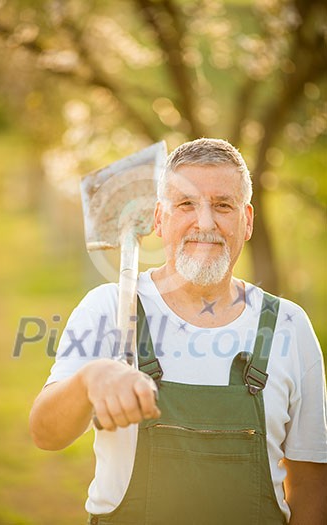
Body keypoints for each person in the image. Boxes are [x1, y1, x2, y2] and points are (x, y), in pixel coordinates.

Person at [30, 138, 327, 525]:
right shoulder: (109, 309)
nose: (205, 223)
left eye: (223, 205)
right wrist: (90, 379)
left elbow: (311, 486)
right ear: (158, 219)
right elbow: (45, 434)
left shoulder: (288, 325)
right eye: (186, 204)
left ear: (248, 220)